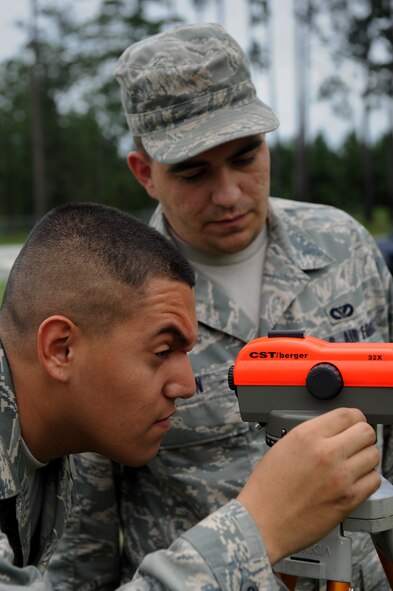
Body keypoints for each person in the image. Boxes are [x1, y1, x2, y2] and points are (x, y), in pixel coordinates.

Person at [48, 23, 393, 590]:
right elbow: (81, 552)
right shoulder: (107, 309)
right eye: (193, 171)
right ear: (144, 174)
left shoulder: (344, 248)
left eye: (246, 156)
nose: (229, 193)